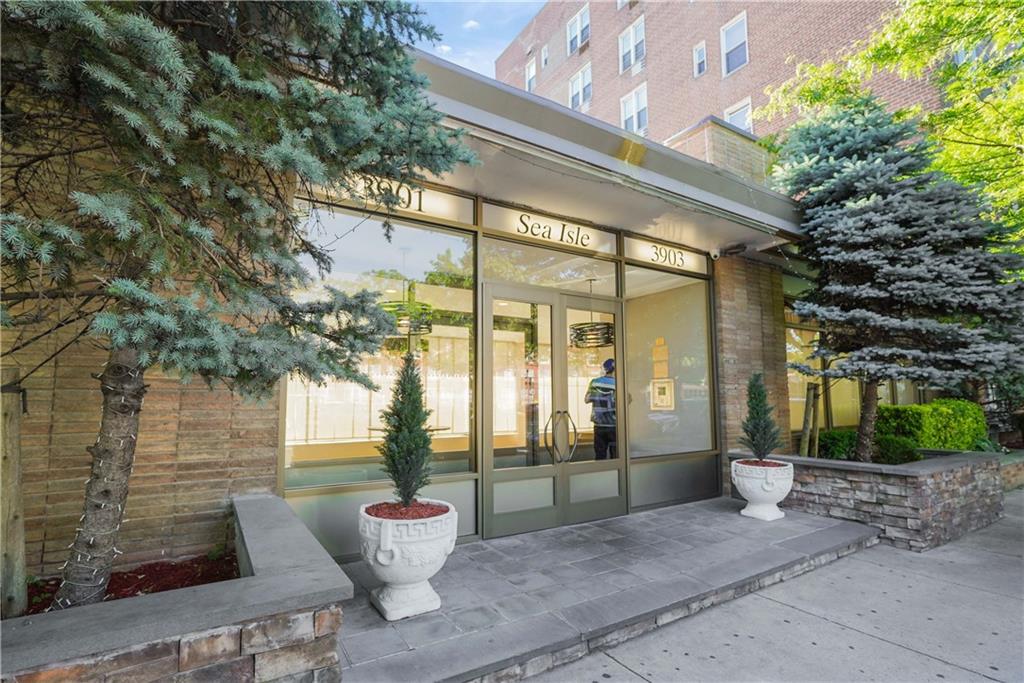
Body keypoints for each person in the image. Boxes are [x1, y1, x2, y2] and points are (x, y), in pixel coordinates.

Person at [584, 358, 616, 460]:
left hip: (599, 425)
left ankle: (601, 475)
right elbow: (627, 400)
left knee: (600, 455)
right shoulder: (619, 383)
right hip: (614, 425)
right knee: (615, 457)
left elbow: (587, 399)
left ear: (604, 369)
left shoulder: (594, 382)